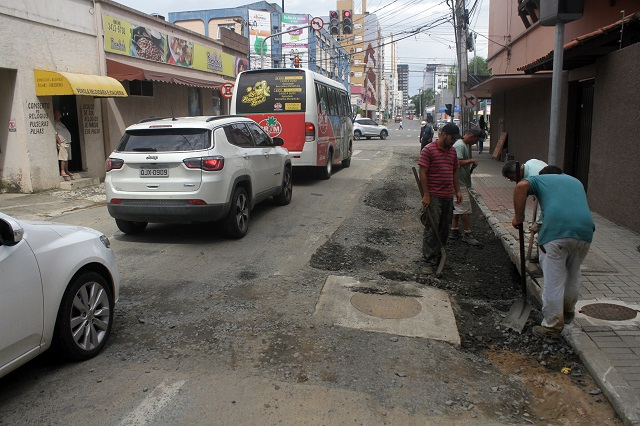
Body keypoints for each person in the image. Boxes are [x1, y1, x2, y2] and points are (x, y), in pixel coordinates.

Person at [512, 165, 595, 338]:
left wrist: (518, 217)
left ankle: (551, 327)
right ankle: (567, 313)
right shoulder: (575, 181)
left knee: (553, 280)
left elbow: (520, 186)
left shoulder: (541, 179)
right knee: (572, 274)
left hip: (556, 234)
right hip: (585, 233)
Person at [418, 122, 463, 267]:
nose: (454, 142)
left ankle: (438, 256)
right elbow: (423, 172)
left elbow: (454, 171)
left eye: (455, 140)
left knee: (445, 228)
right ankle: (428, 260)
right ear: (444, 135)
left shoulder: (452, 151)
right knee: (432, 228)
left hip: (447, 195)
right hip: (434, 196)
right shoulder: (428, 150)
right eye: (452, 139)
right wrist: (426, 195)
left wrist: (458, 190)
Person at [450, 128, 482, 245]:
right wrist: (471, 160)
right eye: (476, 140)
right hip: (459, 183)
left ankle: (454, 230)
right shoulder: (460, 146)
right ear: (472, 136)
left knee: (457, 207)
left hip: (460, 181)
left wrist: (470, 165)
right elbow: (457, 162)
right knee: (465, 209)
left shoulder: (462, 145)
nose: (476, 143)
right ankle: (467, 233)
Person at [54, 108, 73, 177]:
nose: (60, 115)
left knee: (67, 158)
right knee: (63, 158)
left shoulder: (60, 123)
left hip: (67, 142)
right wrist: (60, 143)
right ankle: (62, 171)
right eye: (58, 114)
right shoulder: (55, 123)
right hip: (63, 143)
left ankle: (66, 170)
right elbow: (55, 134)